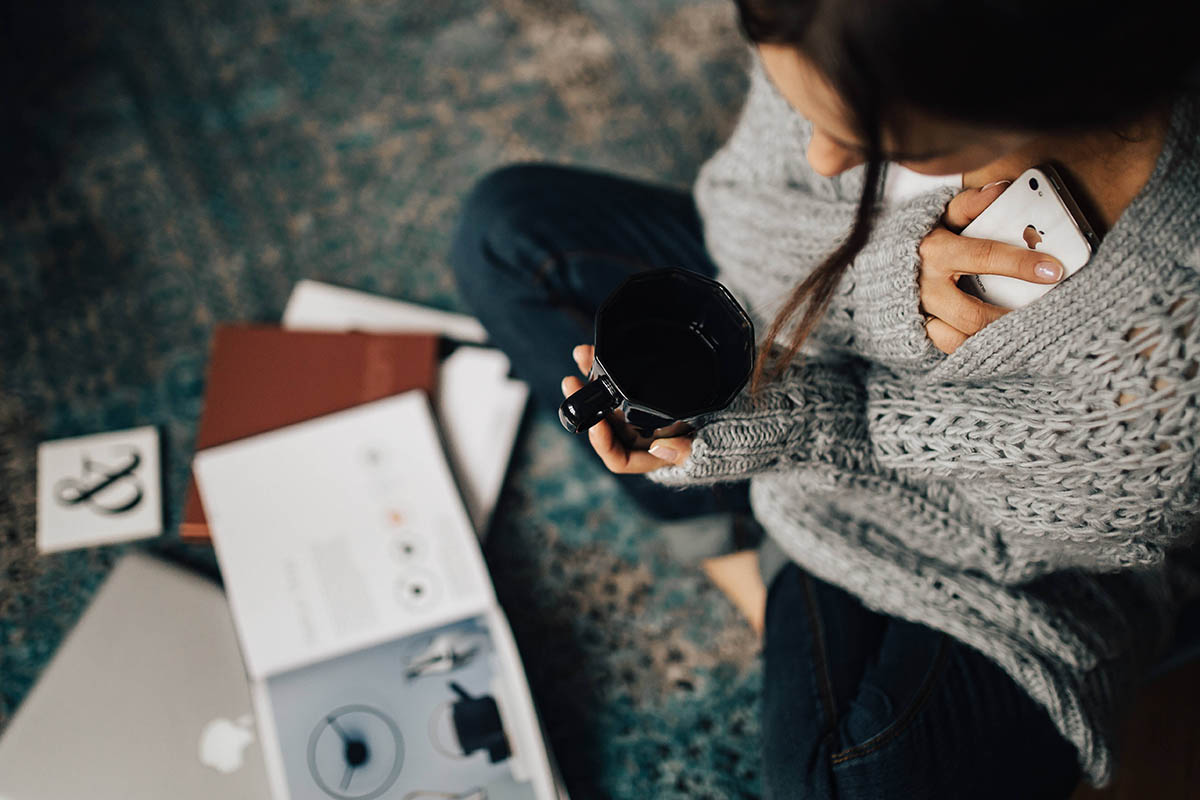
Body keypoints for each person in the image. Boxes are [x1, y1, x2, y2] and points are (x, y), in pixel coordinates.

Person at [450, 0, 1200, 796]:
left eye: (885, 146)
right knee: (503, 234)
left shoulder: (1172, 338)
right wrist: (880, 284)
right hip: (809, 368)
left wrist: (783, 426)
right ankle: (756, 556)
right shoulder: (840, 25)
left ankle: (750, 542)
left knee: (850, 778)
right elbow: (736, 211)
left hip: (981, 545)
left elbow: (1010, 538)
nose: (823, 157)